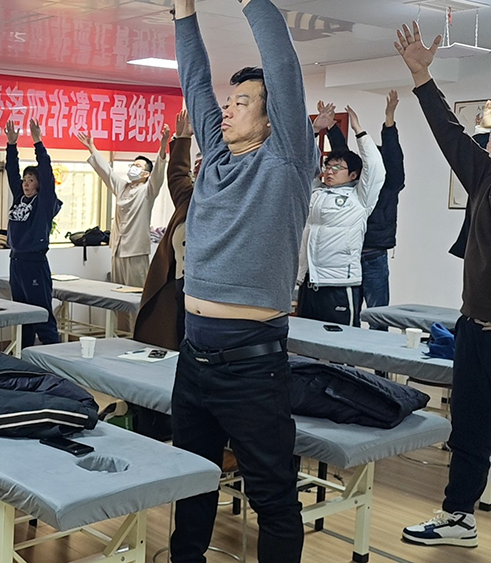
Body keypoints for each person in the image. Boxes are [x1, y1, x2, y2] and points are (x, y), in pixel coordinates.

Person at [171, 0, 319, 561]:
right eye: (228, 103)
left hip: (252, 366)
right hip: (194, 357)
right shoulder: (216, 159)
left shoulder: (286, 160)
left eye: (242, 102)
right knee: (192, 482)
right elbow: (194, 82)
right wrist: (183, 13)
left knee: (272, 497)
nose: (227, 110)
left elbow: (283, 65)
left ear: (273, 116)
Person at [394, 21, 491, 549]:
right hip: (476, 329)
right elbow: (448, 133)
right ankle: (459, 517)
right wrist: (421, 77)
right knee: (469, 430)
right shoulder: (486, 175)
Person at [296, 104, 385, 327]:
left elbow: (375, 167)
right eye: (328, 166)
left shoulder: (360, 198)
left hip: (339, 284)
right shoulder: (314, 190)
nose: (329, 171)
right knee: (304, 340)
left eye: (337, 168)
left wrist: (359, 131)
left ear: (353, 175)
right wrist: (315, 129)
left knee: (342, 343)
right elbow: (299, 163)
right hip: (309, 280)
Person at [323, 92, 405, 329]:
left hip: (374, 255)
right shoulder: (357, 186)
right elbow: (343, 156)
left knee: (378, 316)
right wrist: (331, 127)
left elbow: (393, 157)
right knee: (348, 314)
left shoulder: (390, 184)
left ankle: (378, 355)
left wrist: (389, 121)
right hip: (348, 256)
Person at [76, 130, 167, 292]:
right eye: (133, 165)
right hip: (117, 249)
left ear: (146, 174)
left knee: (135, 294)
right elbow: (106, 172)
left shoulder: (148, 190)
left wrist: (163, 144)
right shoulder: (122, 187)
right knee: (118, 294)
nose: (133, 168)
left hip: (136, 251)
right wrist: (92, 148)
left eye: (138, 166)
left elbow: (158, 174)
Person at [135, 110, 196, 350]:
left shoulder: (227, 201)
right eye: (197, 165)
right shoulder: (189, 198)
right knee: (174, 334)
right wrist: (183, 139)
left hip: (207, 289)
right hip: (180, 282)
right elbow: (177, 174)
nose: (198, 169)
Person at [4, 118, 62, 347]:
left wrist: (38, 142)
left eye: (31, 180)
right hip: (16, 261)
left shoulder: (44, 203)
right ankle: (25, 354)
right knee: (23, 315)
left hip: (34, 262)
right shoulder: (20, 198)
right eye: (25, 180)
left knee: (41, 313)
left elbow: (46, 174)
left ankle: (54, 354)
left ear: (39, 184)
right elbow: (11, 172)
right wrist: (11, 145)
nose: (26, 184)